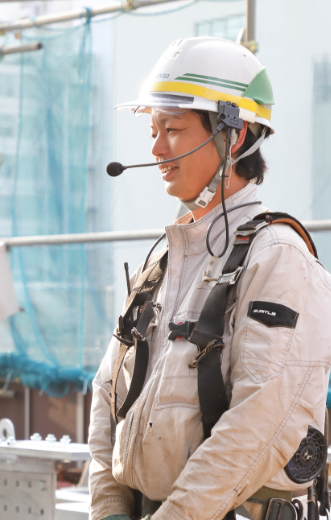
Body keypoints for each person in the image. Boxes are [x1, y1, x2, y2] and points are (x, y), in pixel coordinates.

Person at [89, 37, 331, 520]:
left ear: (233, 135)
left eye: (173, 129)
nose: (156, 148)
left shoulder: (279, 260)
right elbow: (106, 394)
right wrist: (110, 506)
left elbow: (259, 423)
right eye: (154, 130)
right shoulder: (161, 266)